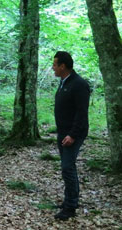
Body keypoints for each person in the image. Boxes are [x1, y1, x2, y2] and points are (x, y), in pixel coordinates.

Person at [52, 51, 90, 221]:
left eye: (55, 65)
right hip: (63, 132)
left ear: (63, 66)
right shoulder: (63, 82)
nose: (53, 68)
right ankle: (69, 200)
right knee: (66, 167)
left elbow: (82, 113)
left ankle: (71, 206)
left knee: (68, 167)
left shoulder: (79, 84)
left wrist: (72, 135)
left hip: (73, 134)